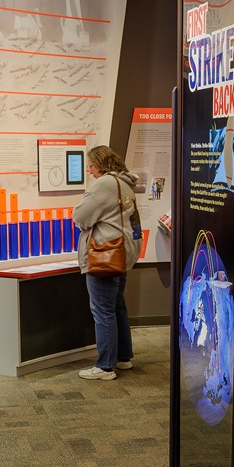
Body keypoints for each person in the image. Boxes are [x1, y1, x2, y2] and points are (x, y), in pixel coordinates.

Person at [72, 145, 142, 380]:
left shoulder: (104, 184)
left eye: (91, 165)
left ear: (100, 164)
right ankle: (123, 357)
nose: (89, 170)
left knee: (102, 310)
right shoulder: (124, 183)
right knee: (116, 306)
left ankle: (105, 366)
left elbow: (80, 216)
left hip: (105, 255)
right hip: (122, 254)